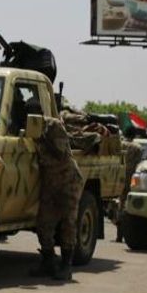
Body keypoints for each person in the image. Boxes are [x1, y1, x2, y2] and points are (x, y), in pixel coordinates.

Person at [29, 116, 85, 281]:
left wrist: (41, 139)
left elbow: (60, 152)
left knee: (68, 224)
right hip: (51, 182)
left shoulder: (53, 125)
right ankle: (48, 261)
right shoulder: (30, 127)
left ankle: (66, 266)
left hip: (68, 181)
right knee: (44, 224)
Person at [115, 139, 144, 243]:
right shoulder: (138, 148)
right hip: (132, 179)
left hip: (119, 176)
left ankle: (119, 234)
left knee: (120, 204)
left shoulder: (120, 144)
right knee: (129, 205)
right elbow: (140, 164)